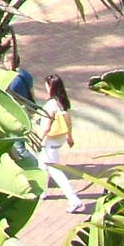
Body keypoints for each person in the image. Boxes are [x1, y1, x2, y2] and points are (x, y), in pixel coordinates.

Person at [37, 73, 86, 213]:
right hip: (60, 138)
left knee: (54, 170)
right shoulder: (63, 102)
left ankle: (74, 200)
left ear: (50, 87)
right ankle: (42, 191)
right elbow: (67, 120)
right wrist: (70, 136)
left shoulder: (51, 104)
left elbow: (46, 126)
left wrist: (39, 139)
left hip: (50, 140)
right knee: (42, 164)